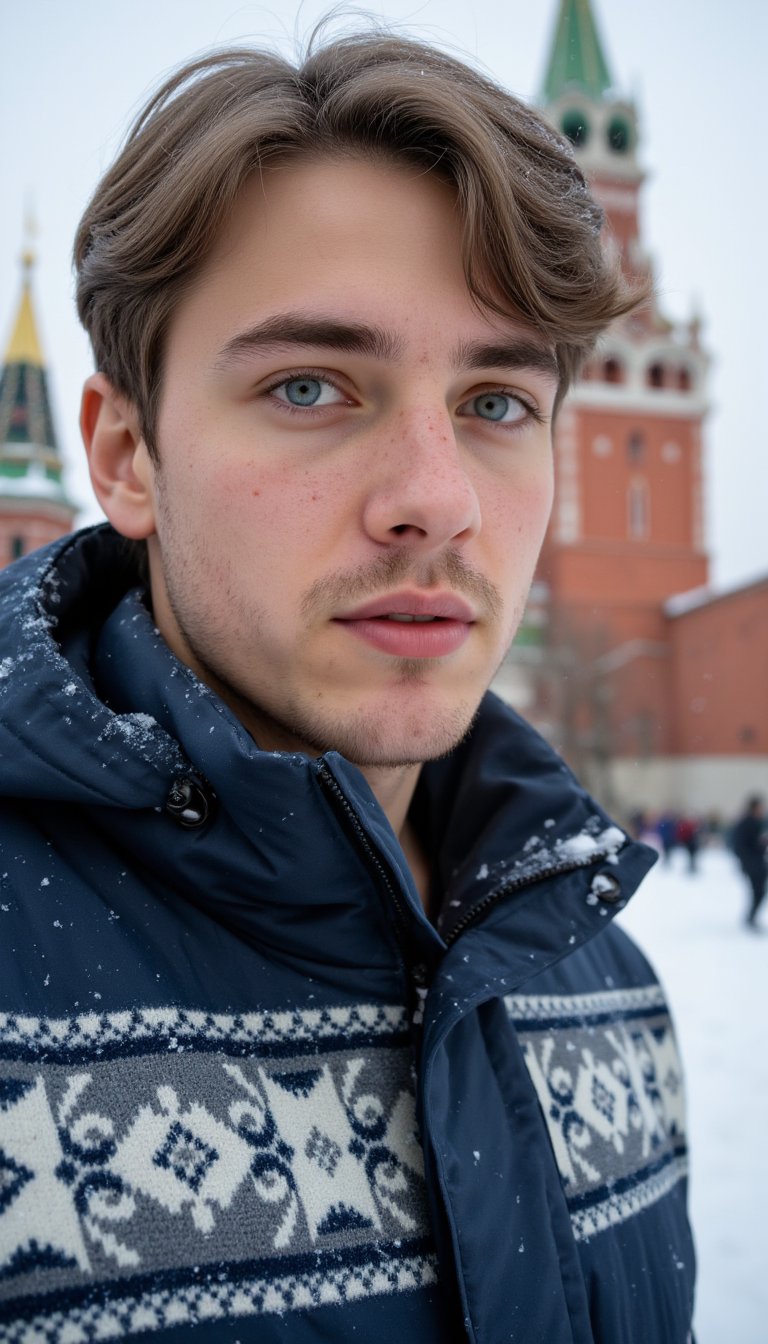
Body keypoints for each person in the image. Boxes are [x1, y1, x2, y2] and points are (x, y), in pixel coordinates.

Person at [0, 31, 695, 1344]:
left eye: (498, 401)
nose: (433, 500)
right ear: (129, 452)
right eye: (311, 386)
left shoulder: (604, 980)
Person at [731, 795, 767, 929]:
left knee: (759, 892)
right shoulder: (747, 823)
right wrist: (748, 862)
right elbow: (740, 846)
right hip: (753, 865)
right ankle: (751, 918)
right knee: (758, 892)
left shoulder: (756, 822)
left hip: (758, 864)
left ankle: (751, 918)